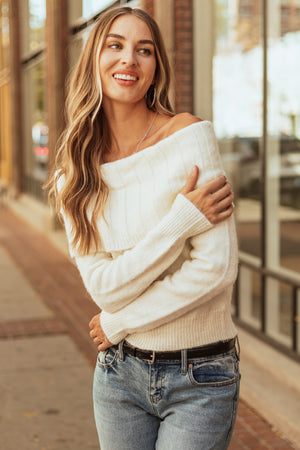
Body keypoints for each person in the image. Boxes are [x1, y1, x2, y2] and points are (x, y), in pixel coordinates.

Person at [47, 6, 240, 450]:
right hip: (118, 379)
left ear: (156, 69)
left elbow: (215, 269)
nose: (128, 59)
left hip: (201, 376)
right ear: (94, 60)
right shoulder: (73, 177)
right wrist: (180, 222)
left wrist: (121, 322)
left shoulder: (188, 138)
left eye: (144, 50)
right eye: (115, 46)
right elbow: (106, 289)